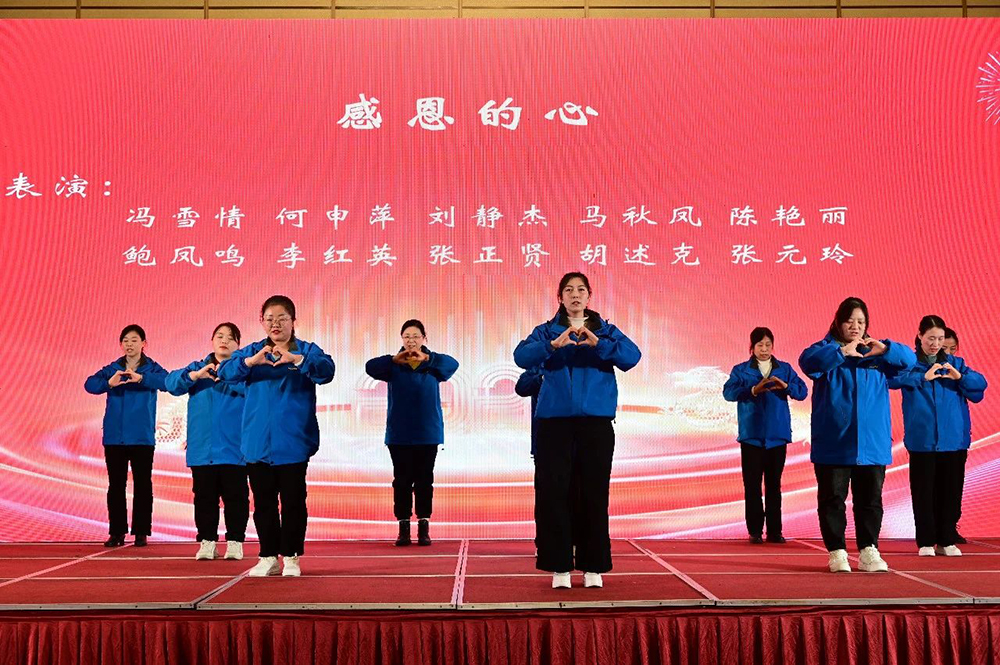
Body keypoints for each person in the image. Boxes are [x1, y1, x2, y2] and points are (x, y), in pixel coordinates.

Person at [514, 272, 641, 589]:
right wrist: (552, 345)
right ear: (560, 297)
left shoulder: (606, 331)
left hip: (595, 424)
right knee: (554, 494)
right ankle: (559, 567)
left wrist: (599, 344)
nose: (575, 294)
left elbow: (632, 357)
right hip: (554, 424)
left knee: (594, 493)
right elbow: (521, 356)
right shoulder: (545, 331)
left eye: (581, 290)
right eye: (568, 290)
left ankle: (593, 565)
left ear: (589, 296)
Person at [218, 296, 335, 577]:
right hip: (257, 443)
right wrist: (250, 362)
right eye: (269, 319)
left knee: (293, 503)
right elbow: (225, 372)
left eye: (282, 318)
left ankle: (291, 557)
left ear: (293, 322)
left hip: (293, 442)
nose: (276, 324)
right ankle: (268, 556)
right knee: (263, 504)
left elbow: (327, 371)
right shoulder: (252, 352)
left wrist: (297, 360)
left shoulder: (306, 350)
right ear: (262, 322)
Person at [799, 297, 915, 573]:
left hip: (872, 443)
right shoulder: (824, 351)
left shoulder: (877, 355)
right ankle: (837, 551)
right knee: (832, 499)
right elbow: (808, 363)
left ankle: (868, 549)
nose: (855, 326)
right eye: (850, 321)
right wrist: (841, 352)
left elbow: (909, 361)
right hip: (834, 442)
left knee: (870, 500)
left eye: (861, 321)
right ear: (838, 322)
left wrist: (885, 349)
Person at [888, 316, 987, 556]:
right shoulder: (911, 364)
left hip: (954, 440)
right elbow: (892, 380)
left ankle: (946, 539)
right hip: (922, 440)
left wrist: (959, 377)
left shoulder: (956, 364)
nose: (935, 344)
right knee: (924, 492)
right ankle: (925, 541)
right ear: (920, 336)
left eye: (940, 339)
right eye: (931, 338)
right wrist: (923, 377)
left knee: (951, 491)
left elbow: (980, 385)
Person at [365, 319, 459, 547]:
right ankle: (403, 527)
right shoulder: (393, 365)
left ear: (424, 339)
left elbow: (453, 364)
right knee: (402, 481)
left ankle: (424, 527)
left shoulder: (434, 364)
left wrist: (427, 358)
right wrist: (393, 360)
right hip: (399, 434)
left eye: (416, 336)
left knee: (425, 480)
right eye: (407, 336)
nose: (411, 341)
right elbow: (370, 367)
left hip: (428, 432)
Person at [165, 322, 249, 561]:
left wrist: (228, 376)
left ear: (238, 345)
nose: (224, 341)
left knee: (236, 499)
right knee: (204, 498)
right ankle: (207, 541)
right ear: (212, 340)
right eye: (219, 336)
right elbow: (171, 384)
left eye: (230, 338)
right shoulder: (197, 368)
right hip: (203, 449)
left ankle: (235, 541)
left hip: (234, 449)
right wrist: (195, 376)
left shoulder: (244, 371)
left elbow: (252, 392)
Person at [84, 324, 167, 547]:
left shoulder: (152, 369)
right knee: (116, 485)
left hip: (141, 437)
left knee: (143, 485)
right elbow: (89, 384)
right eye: (126, 341)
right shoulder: (113, 368)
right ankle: (117, 532)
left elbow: (167, 382)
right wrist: (108, 383)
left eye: (134, 340)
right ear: (121, 344)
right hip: (115, 437)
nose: (129, 344)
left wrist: (141, 379)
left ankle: (141, 531)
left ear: (144, 343)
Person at [723, 327, 808, 544]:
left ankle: (775, 531)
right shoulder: (741, 370)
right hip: (751, 436)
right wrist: (753, 389)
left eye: (768, 344)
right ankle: (755, 531)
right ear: (752, 347)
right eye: (760, 345)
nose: (764, 349)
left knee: (774, 485)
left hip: (777, 436)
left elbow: (802, 392)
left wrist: (785, 386)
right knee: (752, 485)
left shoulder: (784, 369)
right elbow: (728, 393)